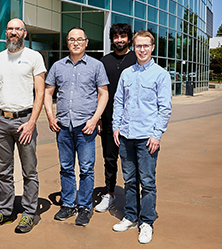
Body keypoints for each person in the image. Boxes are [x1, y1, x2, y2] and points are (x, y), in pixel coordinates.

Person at [0, 18, 46, 234]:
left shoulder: (34, 57)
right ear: (6, 33)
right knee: (4, 171)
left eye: (17, 29)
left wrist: (31, 123)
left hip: (24, 122)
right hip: (1, 122)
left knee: (29, 171)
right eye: (10, 29)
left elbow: (40, 92)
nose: (13, 32)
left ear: (25, 33)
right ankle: (6, 211)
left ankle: (29, 214)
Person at [44, 27, 109, 226]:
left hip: (85, 127)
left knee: (87, 169)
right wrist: (50, 116)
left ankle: (84, 207)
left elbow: (104, 94)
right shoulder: (57, 66)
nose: (76, 43)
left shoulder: (96, 66)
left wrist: (95, 119)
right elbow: (48, 93)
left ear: (86, 42)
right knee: (66, 168)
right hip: (63, 126)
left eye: (80, 39)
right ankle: (68, 204)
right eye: (72, 39)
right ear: (67, 42)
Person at [112, 30, 172, 244]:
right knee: (129, 180)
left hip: (147, 138)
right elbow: (119, 101)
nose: (142, 49)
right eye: (138, 46)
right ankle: (130, 216)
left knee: (147, 182)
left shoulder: (161, 75)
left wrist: (157, 135)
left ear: (152, 47)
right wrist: (115, 127)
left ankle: (146, 222)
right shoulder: (127, 74)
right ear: (133, 47)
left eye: (146, 45)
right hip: (126, 136)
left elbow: (165, 108)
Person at [95, 23, 137, 213]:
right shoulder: (104, 61)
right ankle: (109, 194)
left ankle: (133, 199)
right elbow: (99, 91)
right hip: (109, 120)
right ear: (112, 39)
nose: (119, 40)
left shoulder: (137, 59)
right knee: (109, 160)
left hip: (133, 122)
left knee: (132, 162)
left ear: (129, 38)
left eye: (123, 36)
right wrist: (98, 118)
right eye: (116, 37)